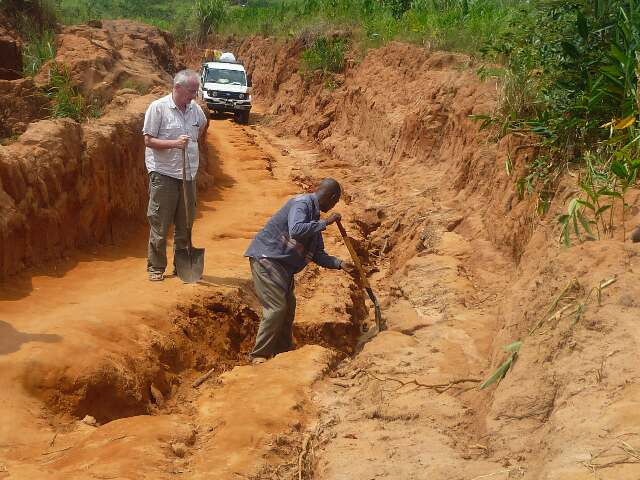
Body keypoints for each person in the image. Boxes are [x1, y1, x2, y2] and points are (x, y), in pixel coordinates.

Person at [245, 178, 356, 364]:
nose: (335, 205)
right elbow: (296, 230)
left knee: (288, 309)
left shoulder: (313, 218)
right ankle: (259, 355)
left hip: (283, 267)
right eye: (336, 201)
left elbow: (317, 254)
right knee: (276, 308)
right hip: (267, 260)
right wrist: (326, 222)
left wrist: (339, 264)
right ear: (332, 197)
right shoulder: (302, 203)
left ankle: (282, 352)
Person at [142, 69, 208, 281]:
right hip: (164, 174)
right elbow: (148, 140)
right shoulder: (158, 108)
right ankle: (155, 267)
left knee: (185, 223)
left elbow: (202, 129)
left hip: (188, 175)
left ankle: (181, 266)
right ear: (177, 88)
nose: (193, 96)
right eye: (191, 91)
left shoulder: (195, 110)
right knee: (160, 223)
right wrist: (174, 144)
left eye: (196, 91)